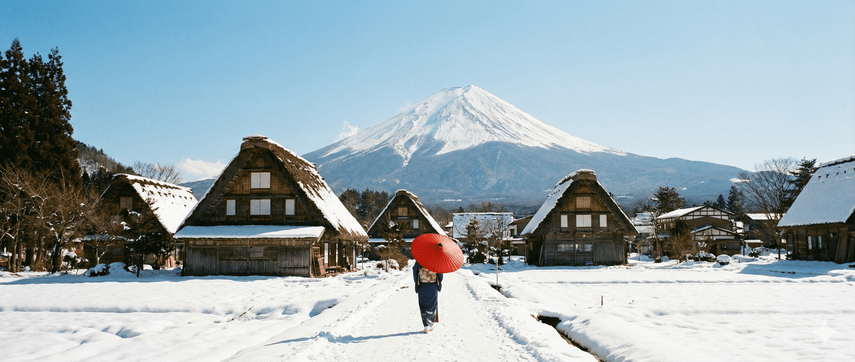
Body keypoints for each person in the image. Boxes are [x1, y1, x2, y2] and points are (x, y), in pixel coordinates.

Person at [413, 261, 443, 333]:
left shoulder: (419, 260)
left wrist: (417, 283)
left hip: (423, 285)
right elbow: (440, 274)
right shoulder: (436, 261)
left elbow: (415, 272)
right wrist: (439, 282)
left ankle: (426, 325)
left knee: (423, 304)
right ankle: (430, 324)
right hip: (433, 285)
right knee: (432, 305)